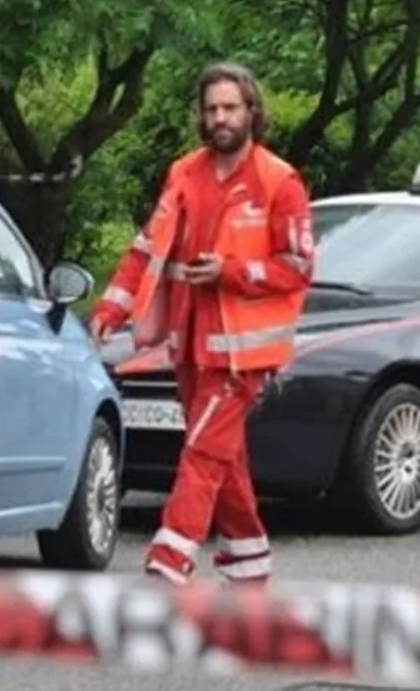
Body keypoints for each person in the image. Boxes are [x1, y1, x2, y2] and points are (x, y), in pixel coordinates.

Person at [90, 62, 315, 585]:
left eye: (230, 108)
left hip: (244, 354)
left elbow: (299, 266)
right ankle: (248, 556)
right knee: (220, 451)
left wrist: (230, 272)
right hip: (188, 340)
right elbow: (148, 247)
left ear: (252, 112)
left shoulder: (279, 182)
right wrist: (112, 309)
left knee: (202, 451)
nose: (220, 118)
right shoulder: (184, 173)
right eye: (212, 109)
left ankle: (169, 560)